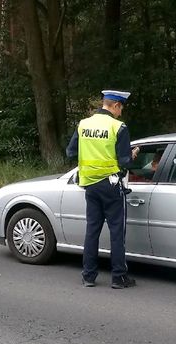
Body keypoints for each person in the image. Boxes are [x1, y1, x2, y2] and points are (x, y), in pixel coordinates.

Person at [66, 90, 139, 289]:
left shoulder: (84, 124)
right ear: (115, 105)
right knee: (117, 232)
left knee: (92, 231)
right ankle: (118, 277)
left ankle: (88, 276)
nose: (121, 112)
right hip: (111, 185)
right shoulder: (118, 127)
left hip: (90, 185)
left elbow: (71, 151)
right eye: (121, 107)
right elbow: (124, 161)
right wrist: (132, 156)